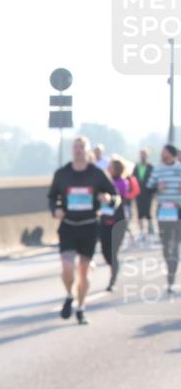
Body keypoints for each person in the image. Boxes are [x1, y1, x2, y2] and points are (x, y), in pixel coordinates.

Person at [47, 136, 119, 325]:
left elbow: (115, 196)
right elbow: (52, 196)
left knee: (84, 271)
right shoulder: (62, 173)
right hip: (68, 225)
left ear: (88, 151)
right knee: (67, 267)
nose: (78, 149)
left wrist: (108, 198)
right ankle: (70, 295)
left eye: (82, 147)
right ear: (72, 150)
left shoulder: (97, 173)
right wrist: (55, 209)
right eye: (75, 146)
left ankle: (81, 307)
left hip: (89, 226)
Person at [149, 144, 181, 294]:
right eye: (162, 153)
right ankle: (169, 264)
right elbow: (148, 188)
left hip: (178, 211)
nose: (163, 155)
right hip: (162, 211)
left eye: (165, 153)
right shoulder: (158, 169)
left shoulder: (179, 169)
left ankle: (171, 276)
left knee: (174, 244)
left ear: (172, 155)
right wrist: (157, 188)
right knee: (165, 245)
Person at [100, 158, 135, 291]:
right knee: (104, 250)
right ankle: (114, 267)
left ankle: (113, 279)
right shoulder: (103, 181)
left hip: (118, 220)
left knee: (113, 251)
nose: (108, 169)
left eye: (111, 167)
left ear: (117, 169)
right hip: (105, 219)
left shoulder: (122, 182)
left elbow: (117, 196)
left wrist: (107, 195)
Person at [133, 148, 156, 243]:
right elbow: (133, 179)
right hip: (138, 193)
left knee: (148, 211)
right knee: (139, 212)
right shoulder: (136, 167)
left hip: (148, 193)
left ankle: (150, 228)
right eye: (141, 154)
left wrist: (153, 191)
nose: (143, 156)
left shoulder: (151, 167)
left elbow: (154, 179)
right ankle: (141, 230)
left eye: (144, 154)